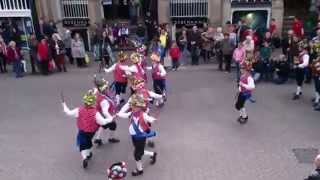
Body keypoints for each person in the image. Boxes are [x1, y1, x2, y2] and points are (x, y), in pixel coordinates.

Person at [62, 89, 114, 168]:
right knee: (88, 141)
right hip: (91, 131)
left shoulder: (79, 110)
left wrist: (64, 105)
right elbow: (103, 122)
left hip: (82, 131)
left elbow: (68, 112)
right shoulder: (95, 113)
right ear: (93, 103)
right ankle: (89, 153)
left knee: (82, 144)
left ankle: (84, 157)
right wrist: (110, 119)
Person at [117, 94, 158, 176]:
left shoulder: (143, 115)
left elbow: (149, 119)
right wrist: (118, 114)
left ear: (139, 106)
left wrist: (153, 120)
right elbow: (125, 115)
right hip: (134, 136)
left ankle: (140, 170)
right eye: (132, 105)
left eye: (134, 106)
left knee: (137, 155)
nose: (132, 107)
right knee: (139, 150)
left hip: (140, 137)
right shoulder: (132, 113)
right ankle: (153, 154)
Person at [93, 77, 120, 146]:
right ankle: (110, 138)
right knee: (112, 125)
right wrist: (110, 118)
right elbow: (105, 112)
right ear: (102, 89)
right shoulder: (104, 101)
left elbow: (96, 90)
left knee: (104, 126)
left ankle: (98, 138)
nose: (107, 89)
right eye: (106, 88)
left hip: (100, 113)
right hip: (106, 115)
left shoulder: (99, 93)